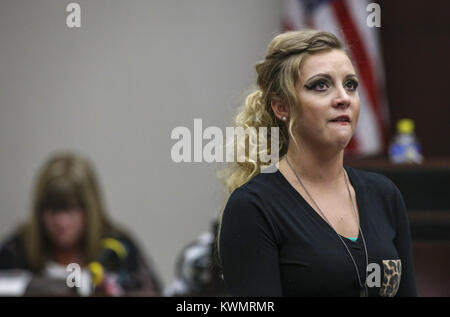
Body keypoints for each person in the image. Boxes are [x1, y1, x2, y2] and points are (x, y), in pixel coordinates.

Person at [218, 30, 417, 297]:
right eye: (321, 85)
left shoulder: (385, 194)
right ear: (281, 107)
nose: (343, 98)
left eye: (350, 85)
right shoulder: (253, 207)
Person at [0, 152, 161, 296]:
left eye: (72, 209)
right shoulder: (16, 250)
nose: (62, 222)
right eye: (53, 210)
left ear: (90, 209)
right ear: (39, 210)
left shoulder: (119, 248)